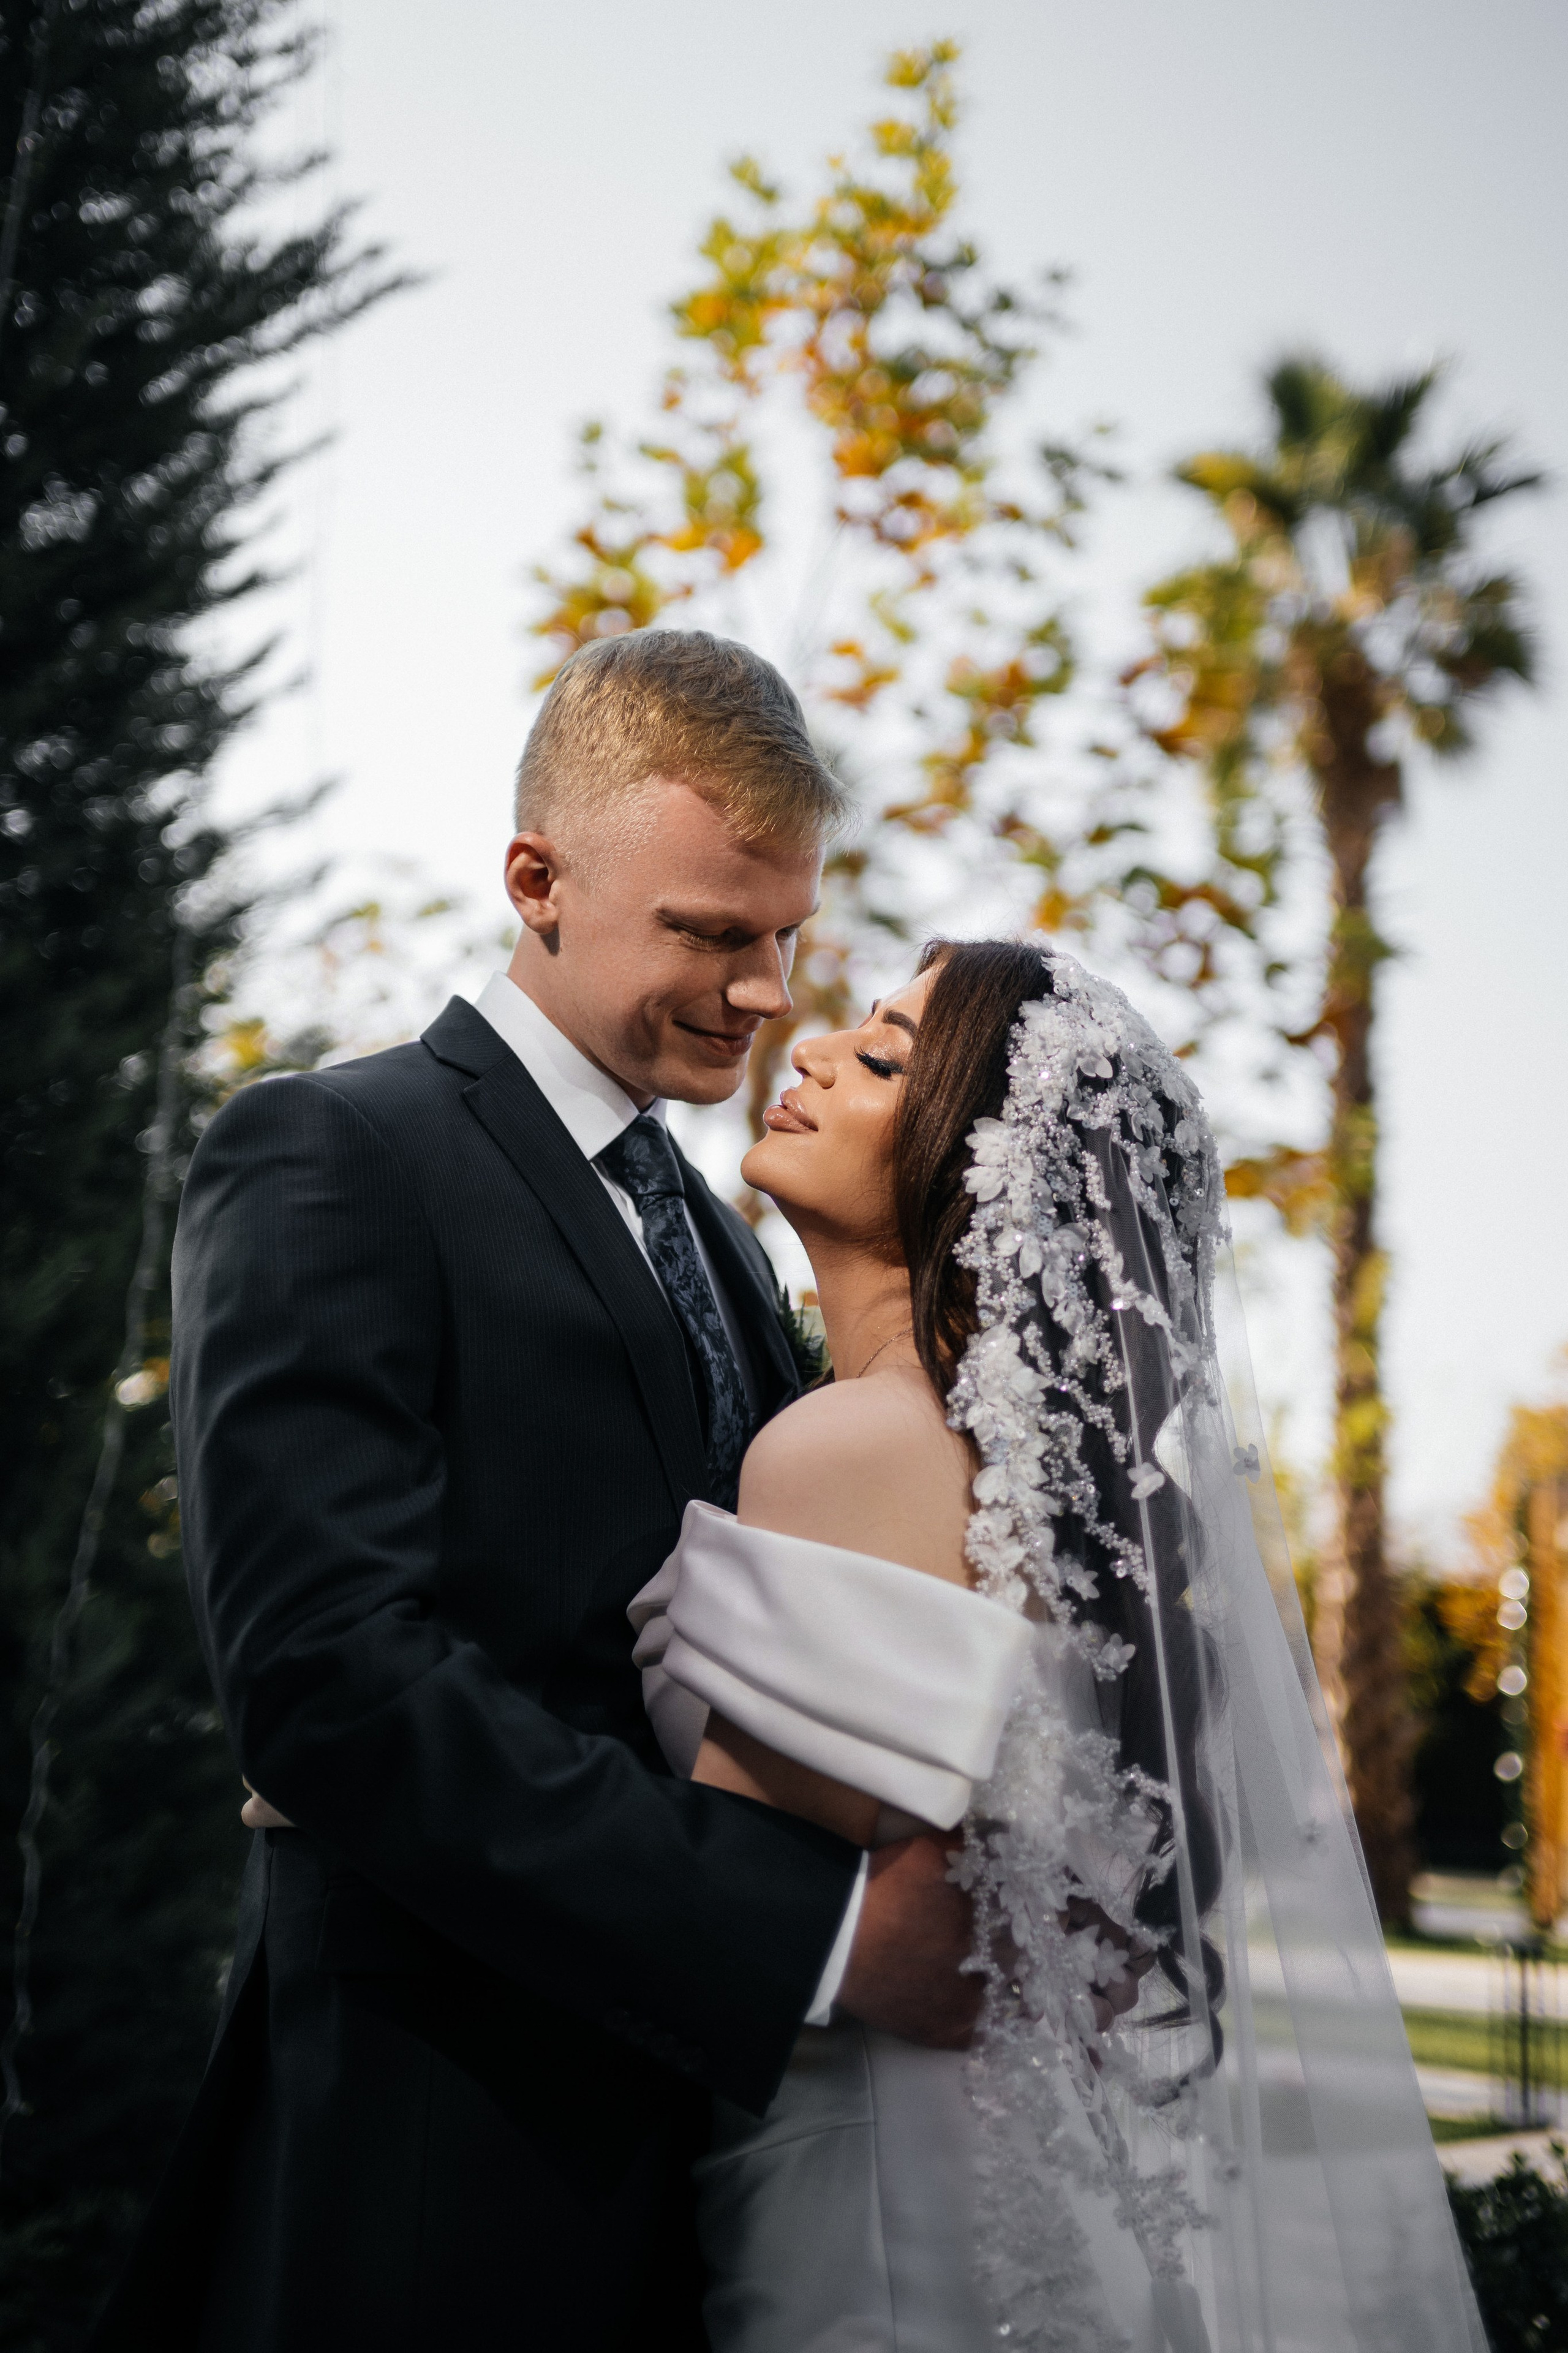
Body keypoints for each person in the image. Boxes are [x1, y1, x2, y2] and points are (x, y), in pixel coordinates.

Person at [89, 632, 981, 2353]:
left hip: (709, 2156)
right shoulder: (335, 1153)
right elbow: (329, 1682)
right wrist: (818, 1938)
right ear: (537, 880)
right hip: (441, 2146)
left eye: (786, 932)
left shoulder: (729, 1235)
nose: (767, 989)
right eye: (715, 934)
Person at [631, 937, 1490, 2353]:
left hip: (867, 2217)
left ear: (984, 1173)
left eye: (888, 1056)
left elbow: (709, 1909)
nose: (813, 1047)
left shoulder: (842, 1452)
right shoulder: (1030, 1504)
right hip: (1012, 2189)